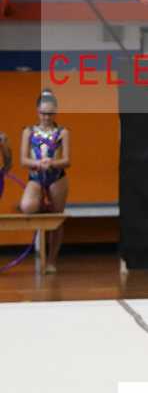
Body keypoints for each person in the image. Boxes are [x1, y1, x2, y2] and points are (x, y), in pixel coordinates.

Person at [19, 91, 70, 274]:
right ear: (37, 111)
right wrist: (38, 163)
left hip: (57, 177)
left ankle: (51, 260)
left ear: (55, 112)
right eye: (43, 113)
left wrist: (52, 163)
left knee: (56, 218)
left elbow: (67, 160)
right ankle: (42, 204)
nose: (46, 117)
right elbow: (23, 160)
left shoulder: (62, 132)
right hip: (36, 177)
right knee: (27, 206)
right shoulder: (28, 132)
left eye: (50, 113)